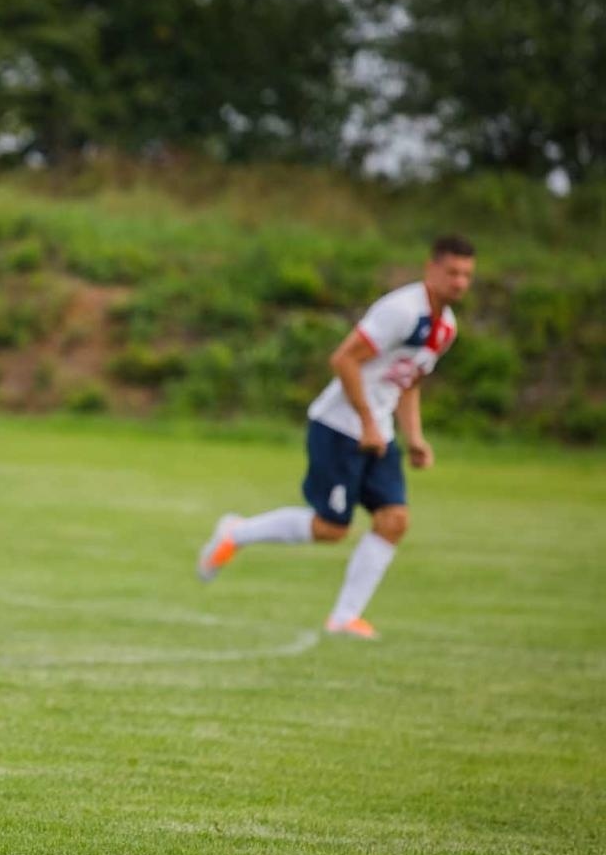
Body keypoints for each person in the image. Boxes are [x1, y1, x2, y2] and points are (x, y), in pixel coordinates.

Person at [196, 235, 477, 638]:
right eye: (452, 272)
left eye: (467, 274)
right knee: (331, 528)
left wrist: (415, 436)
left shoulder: (445, 328)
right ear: (430, 268)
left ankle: (344, 617)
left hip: (378, 431)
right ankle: (235, 533)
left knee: (394, 520)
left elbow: (409, 381)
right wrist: (366, 420)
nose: (460, 282)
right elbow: (343, 358)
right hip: (339, 427)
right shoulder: (400, 310)